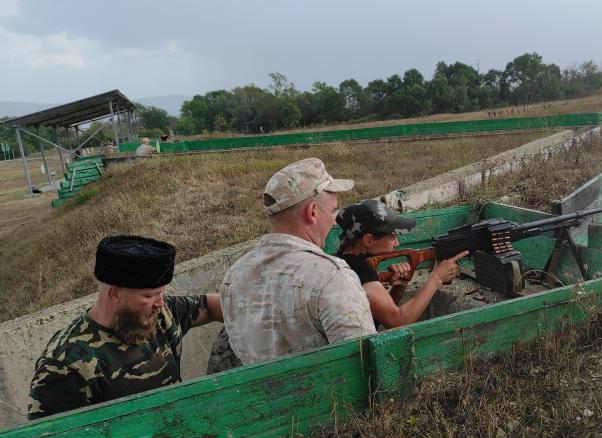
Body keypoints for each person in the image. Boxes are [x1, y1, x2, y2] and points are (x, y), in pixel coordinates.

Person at [28, 235, 223, 420]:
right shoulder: (65, 364)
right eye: (148, 296)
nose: (160, 303)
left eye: (160, 293)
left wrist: (251, 312)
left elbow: (213, 306)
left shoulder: (161, 314)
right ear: (114, 294)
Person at [220, 158, 375, 366]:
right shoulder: (332, 277)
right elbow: (364, 364)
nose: (333, 220)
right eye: (332, 211)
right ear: (312, 212)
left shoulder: (233, 276)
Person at [335, 199, 468, 329]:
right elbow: (399, 322)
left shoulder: (347, 259)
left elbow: (381, 318)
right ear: (368, 241)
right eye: (393, 237)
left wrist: (400, 286)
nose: (397, 243)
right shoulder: (359, 270)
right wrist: (436, 278)